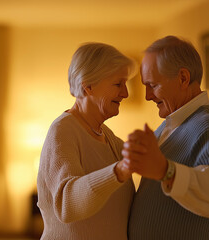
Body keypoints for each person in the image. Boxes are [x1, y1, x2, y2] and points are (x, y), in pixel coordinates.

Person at [121, 36, 209, 239]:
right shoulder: (168, 126)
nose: (148, 95)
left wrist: (165, 170)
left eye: (153, 85)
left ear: (183, 78)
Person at [37, 42, 137, 239]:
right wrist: (118, 171)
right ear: (88, 85)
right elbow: (68, 204)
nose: (125, 93)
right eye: (118, 84)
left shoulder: (109, 138)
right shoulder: (63, 131)